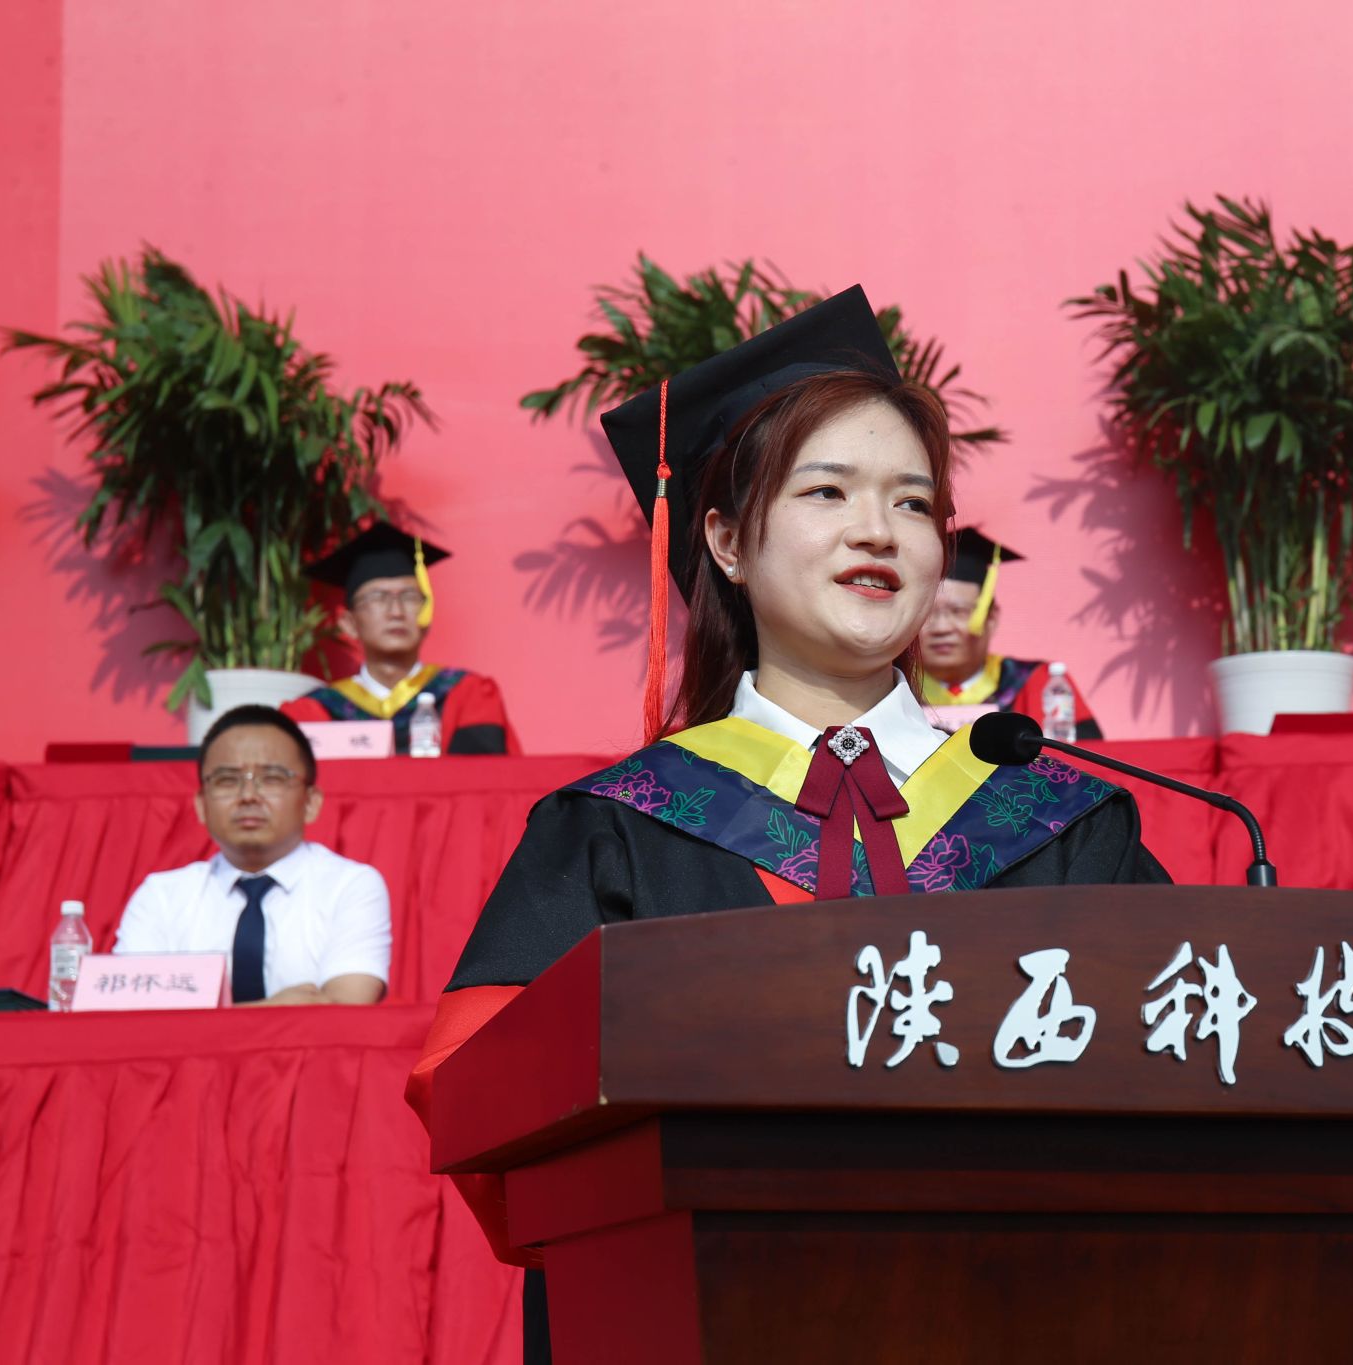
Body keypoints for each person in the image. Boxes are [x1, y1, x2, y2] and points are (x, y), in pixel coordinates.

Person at [402, 287, 1168, 1362]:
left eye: (913, 503)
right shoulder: (620, 829)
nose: (877, 530)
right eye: (827, 490)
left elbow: (1181, 1064)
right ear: (723, 539)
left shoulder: (1052, 817)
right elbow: (486, 1093)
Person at [112, 705, 391, 1005]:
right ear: (201, 805)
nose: (248, 796)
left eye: (271, 779)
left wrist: (201, 1018)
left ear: (311, 802)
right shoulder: (161, 896)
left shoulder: (350, 886)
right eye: (228, 780)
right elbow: (132, 1016)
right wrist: (277, 1007)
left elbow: (346, 1007)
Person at [279, 522, 521, 755]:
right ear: (349, 624)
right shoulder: (314, 712)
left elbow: (488, 779)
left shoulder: (467, 696)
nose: (396, 612)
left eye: (409, 597)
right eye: (377, 598)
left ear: (426, 615)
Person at [917, 527, 1104, 738]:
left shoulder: (1034, 682)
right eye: (927, 613)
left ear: (991, 619)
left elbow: (1082, 753)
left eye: (958, 611)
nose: (942, 627)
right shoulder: (895, 687)